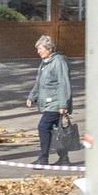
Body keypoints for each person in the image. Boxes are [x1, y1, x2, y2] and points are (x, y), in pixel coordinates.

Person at [27, 35, 74, 165]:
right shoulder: (45, 62)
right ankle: (64, 159)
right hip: (49, 102)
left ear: (49, 48)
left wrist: (63, 104)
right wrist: (32, 96)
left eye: (40, 49)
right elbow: (39, 82)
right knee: (57, 130)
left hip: (56, 103)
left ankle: (43, 159)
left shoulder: (58, 62)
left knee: (43, 127)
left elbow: (64, 83)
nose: (38, 52)